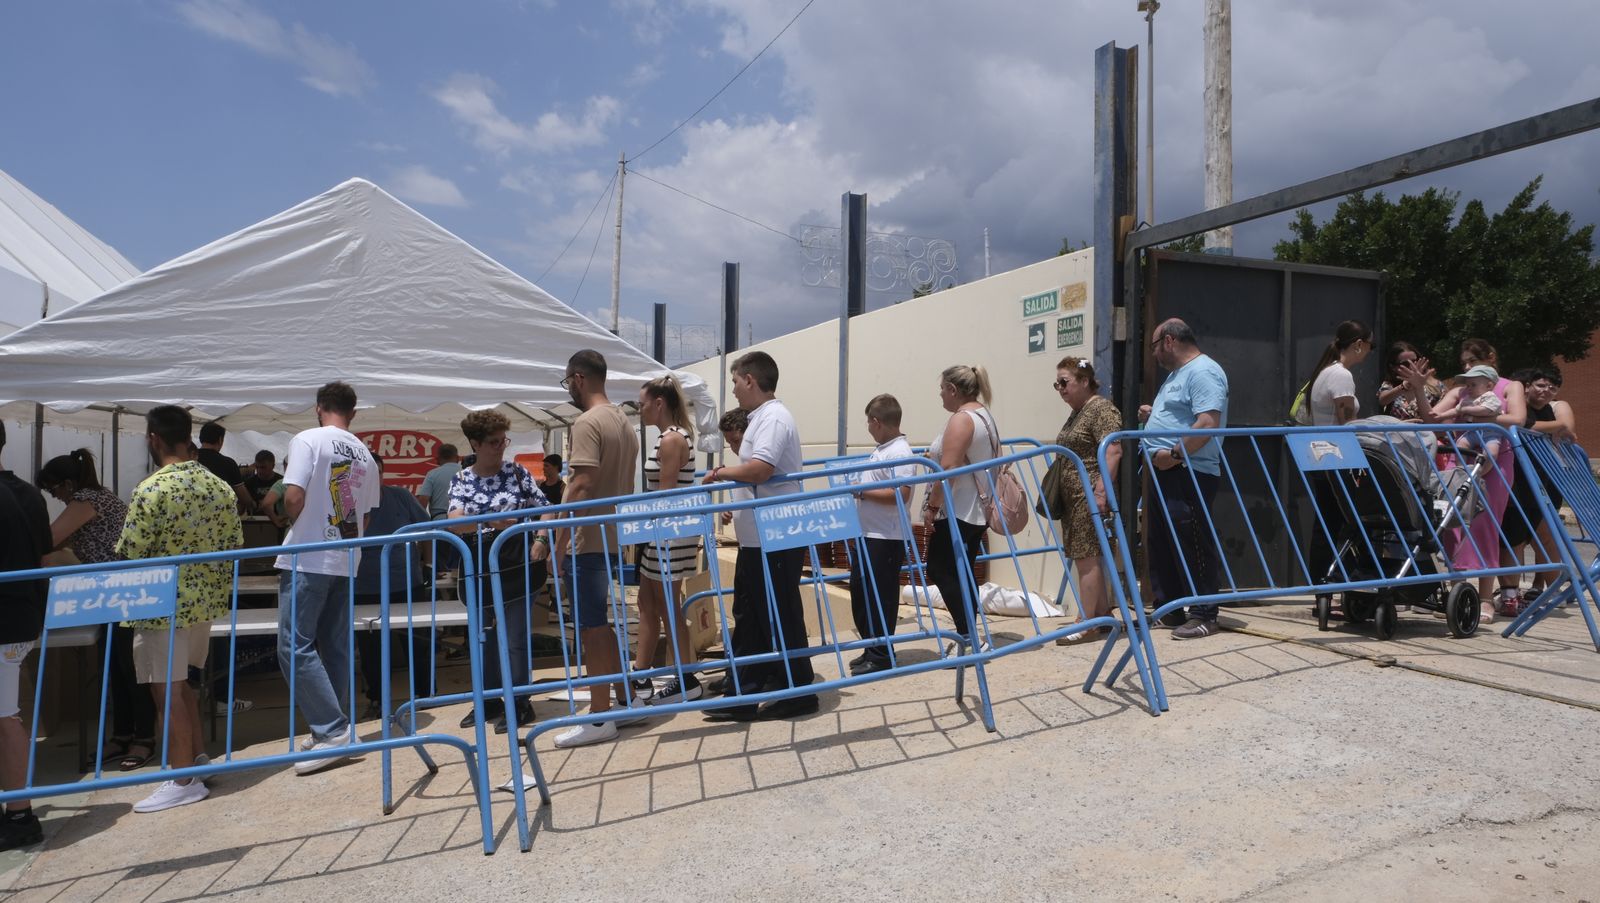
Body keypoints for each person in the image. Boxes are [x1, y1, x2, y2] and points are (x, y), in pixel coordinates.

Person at [113, 406, 243, 812]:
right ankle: (198, 760)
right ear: (189, 436)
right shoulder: (219, 486)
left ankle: (183, 777)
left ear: (153, 438)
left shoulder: (151, 489)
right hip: (204, 602)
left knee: (165, 691)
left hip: (160, 604)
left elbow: (130, 552)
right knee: (181, 684)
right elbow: (234, 543)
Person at [703, 351, 818, 721]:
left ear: (750, 380)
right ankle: (749, 690)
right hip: (759, 538)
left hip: (775, 535)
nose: (734, 390)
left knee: (779, 614)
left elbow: (761, 470)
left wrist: (720, 473)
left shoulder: (773, 418)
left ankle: (796, 692)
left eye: (735, 382)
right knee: (753, 615)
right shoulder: (762, 419)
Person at [275, 381, 381, 774]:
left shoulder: (307, 439)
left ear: (319, 406)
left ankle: (331, 729)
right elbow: (365, 517)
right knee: (335, 646)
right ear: (352, 412)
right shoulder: (366, 454)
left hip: (309, 555)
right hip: (346, 556)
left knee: (294, 645)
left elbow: (292, 496)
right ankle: (337, 728)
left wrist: (299, 526)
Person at [36, 449, 154, 771]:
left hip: (122, 592)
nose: (55, 497)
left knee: (129, 668)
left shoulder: (86, 499)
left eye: (53, 490)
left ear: (68, 483)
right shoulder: (99, 496)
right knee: (115, 667)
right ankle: (124, 735)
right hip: (115, 593)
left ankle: (143, 738)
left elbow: (49, 538)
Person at [549, 349, 644, 746]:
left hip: (586, 540)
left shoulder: (588, 422)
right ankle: (626, 698)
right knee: (601, 625)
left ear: (578, 378)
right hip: (609, 536)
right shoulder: (623, 422)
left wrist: (558, 543)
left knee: (591, 628)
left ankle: (600, 716)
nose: (568, 389)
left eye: (567, 382)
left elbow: (582, 485)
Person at [445, 410, 548, 734]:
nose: (501, 447)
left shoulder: (517, 472)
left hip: (517, 562)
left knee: (515, 637)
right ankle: (489, 700)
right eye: (494, 442)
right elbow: (454, 522)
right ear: (475, 444)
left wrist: (542, 540)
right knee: (483, 638)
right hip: (479, 565)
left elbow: (546, 509)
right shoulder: (462, 479)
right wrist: (490, 521)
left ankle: (519, 701)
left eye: (504, 440)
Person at [1140, 318, 1230, 640]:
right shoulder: (1178, 375)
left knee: (1192, 540)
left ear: (1169, 341)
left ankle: (1205, 613)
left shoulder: (1203, 371)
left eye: (1154, 347)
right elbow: (1184, 415)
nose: (1153, 355)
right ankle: (1170, 608)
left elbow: (1207, 423)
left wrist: (1174, 455)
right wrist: (1154, 416)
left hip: (1188, 470)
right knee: (1163, 541)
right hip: (1166, 470)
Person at [1432, 339, 1524, 624]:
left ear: (1490, 358)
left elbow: (1518, 418)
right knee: (1452, 523)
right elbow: (1433, 418)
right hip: (1460, 456)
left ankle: (1485, 599)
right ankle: (1456, 593)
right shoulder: (1460, 390)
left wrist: (1483, 417)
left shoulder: (1510, 386)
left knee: (1485, 525)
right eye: (1464, 363)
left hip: (1495, 460)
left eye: (1473, 361)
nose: (1468, 367)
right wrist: (1420, 388)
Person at [634, 375, 706, 705]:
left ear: (659, 404)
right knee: (647, 603)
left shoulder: (672, 439)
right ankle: (641, 674)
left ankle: (685, 677)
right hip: (662, 531)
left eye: (642, 404)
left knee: (666, 604)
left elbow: (664, 495)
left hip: (669, 533)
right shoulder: (669, 437)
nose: (640, 410)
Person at [1045, 358, 1124, 645]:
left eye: (1064, 382)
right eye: (1057, 384)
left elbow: (1113, 450)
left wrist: (1101, 493)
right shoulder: (1078, 412)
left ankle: (1087, 622)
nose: (1060, 389)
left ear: (1085, 381)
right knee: (1085, 555)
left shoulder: (1101, 409)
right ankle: (1101, 615)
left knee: (1087, 557)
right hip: (1076, 499)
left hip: (1089, 495)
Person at [920, 364, 999, 646]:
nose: (940, 394)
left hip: (959, 510)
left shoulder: (961, 419)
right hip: (974, 509)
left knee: (941, 570)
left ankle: (969, 637)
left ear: (953, 389)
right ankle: (971, 635)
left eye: (942, 388)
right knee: (959, 572)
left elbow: (948, 470)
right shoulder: (983, 415)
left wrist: (931, 508)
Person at [352, 454, 435, 719]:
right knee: (371, 651)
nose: (373, 478)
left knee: (418, 643)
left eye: (377, 472)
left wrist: (428, 565)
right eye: (367, 472)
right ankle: (377, 700)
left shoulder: (401, 496)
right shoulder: (349, 502)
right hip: (364, 587)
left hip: (407, 584)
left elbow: (428, 529)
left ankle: (426, 695)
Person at [0, 422, 49, 849]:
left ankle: (19, 814)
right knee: (8, 716)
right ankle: (18, 811)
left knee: (5, 719)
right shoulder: (29, 493)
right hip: (24, 616)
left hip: (6, 620)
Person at [846, 394, 917, 674]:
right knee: (861, 591)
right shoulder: (883, 450)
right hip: (869, 534)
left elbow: (902, 494)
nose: (868, 428)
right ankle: (871, 647)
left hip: (886, 537)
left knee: (880, 597)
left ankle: (881, 654)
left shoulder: (899, 452)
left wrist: (862, 491)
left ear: (876, 421)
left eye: (868, 422)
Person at [1500, 366, 1576, 608]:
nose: (1546, 391)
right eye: (1541, 385)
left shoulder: (1548, 410)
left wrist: (1558, 427)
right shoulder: (1520, 406)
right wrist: (1557, 426)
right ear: (1528, 387)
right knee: (1514, 538)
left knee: (1545, 536)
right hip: (1517, 480)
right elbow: (1523, 425)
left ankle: (1554, 590)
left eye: (1552, 387)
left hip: (1543, 481)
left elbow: (1568, 431)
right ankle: (1510, 594)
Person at [705, 409, 748, 697]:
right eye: (730, 443)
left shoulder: (754, 464)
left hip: (762, 547)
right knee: (742, 613)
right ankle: (738, 672)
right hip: (748, 544)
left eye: (737, 441)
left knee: (749, 614)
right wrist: (732, 511)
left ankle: (743, 675)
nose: (734, 448)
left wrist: (718, 473)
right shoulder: (743, 465)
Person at [1306, 320, 1373, 427]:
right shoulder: (1341, 375)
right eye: (1371, 345)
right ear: (1359, 344)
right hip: (1336, 438)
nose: (1370, 350)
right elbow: (1348, 425)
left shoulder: (1329, 370)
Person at [195, 421, 253, 514]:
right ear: (220, 440)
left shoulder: (188, 460)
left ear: (200, 438)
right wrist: (253, 504)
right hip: (218, 517)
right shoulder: (228, 463)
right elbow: (244, 498)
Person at [1377, 341, 1444, 421]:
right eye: (1405, 364)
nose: (1412, 366)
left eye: (1415, 361)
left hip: (1429, 428)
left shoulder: (1436, 385)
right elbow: (1382, 400)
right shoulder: (1390, 385)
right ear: (1393, 367)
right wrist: (1405, 386)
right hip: (1399, 428)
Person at [415, 445, 461, 522]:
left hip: (440, 521)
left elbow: (423, 500)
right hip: (464, 520)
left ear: (437, 459)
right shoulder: (468, 472)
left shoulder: (432, 474)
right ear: (458, 457)